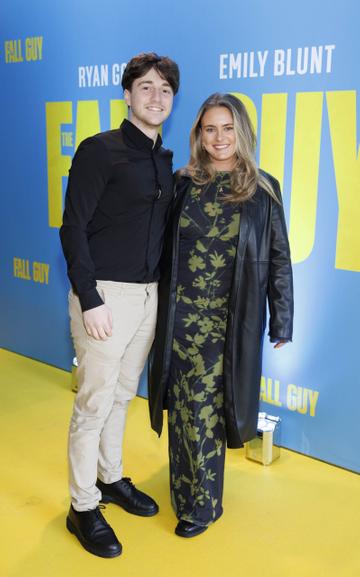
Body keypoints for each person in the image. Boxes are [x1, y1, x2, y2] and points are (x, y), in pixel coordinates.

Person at [148, 93, 293, 538]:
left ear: (241, 132)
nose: (219, 137)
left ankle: (204, 507)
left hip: (229, 324)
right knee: (182, 410)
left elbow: (279, 258)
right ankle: (183, 494)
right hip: (179, 318)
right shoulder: (182, 183)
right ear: (198, 134)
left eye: (227, 128)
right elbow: (157, 247)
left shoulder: (262, 188)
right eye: (210, 128)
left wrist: (282, 318)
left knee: (207, 413)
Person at [60, 52, 180, 558]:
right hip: (104, 296)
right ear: (127, 94)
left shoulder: (164, 159)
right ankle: (81, 505)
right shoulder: (99, 151)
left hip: (148, 296)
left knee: (121, 396)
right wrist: (90, 298)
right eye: (146, 87)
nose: (157, 97)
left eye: (166, 90)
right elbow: (73, 228)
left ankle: (109, 479)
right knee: (93, 401)